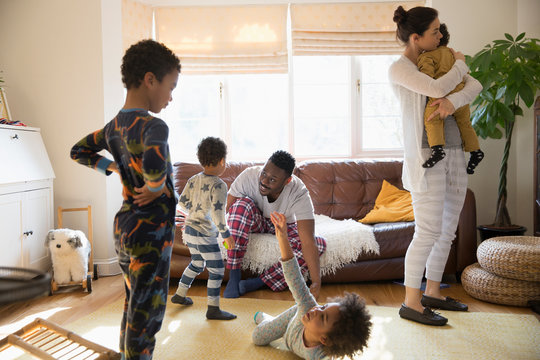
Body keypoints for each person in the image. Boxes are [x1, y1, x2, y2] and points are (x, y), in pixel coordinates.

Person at [71, 39, 180, 358]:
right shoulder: (155, 126)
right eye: (170, 86)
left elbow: (79, 151)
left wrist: (114, 168)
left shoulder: (113, 126)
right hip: (151, 234)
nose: (171, 97)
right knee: (148, 317)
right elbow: (155, 171)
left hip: (126, 230)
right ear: (150, 79)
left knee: (134, 306)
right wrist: (157, 183)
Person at [389, 6, 483, 326]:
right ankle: (411, 302)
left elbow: (475, 87)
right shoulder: (399, 69)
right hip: (425, 157)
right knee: (428, 231)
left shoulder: (442, 59)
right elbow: (436, 88)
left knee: (447, 230)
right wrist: (459, 64)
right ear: (416, 38)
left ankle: (433, 291)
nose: (441, 36)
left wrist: (451, 102)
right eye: (435, 32)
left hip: (454, 151)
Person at [251, 212, 372, 359]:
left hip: (292, 333)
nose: (316, 310)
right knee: (257, 337)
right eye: (323, 307)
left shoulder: (319, 356)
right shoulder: (307, 307)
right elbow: (294, 276)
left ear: (324, 340)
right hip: (293, 318)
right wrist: (283, 238)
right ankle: (267, 319)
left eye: (322, 318)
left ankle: (270, 320)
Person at [222, 150, 326, 299]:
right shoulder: (249, 176)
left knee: (319, 243)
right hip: (255, 220)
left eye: (272, 180)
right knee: (241, 205)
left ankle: (259, 282)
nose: (264, 181)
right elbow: (225, 209)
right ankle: (234, 275)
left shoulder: (299, 192)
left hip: (283, 225)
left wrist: (316, 282)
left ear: (287, 181)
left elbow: (308, 240)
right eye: (264, 173)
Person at [171, 136, 237, 320]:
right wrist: (227, 235)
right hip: (204, 234)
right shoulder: (219, 185)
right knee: (217, 270)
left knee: (197, 263)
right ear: (222, 161)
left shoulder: (193, 179)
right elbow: (218, 215)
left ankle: (180, 294)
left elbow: (182, 203)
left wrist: (186, 222)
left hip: (190, 232)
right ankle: (213, 308)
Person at [418, 23, 484, 173]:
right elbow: (470, 80)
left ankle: (437, 149)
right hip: (460, 98)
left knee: (432, 120)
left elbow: (427, 81)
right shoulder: (453, 55)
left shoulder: (426, 56)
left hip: (440, 98)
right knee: (465, 124)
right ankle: (475, 151)